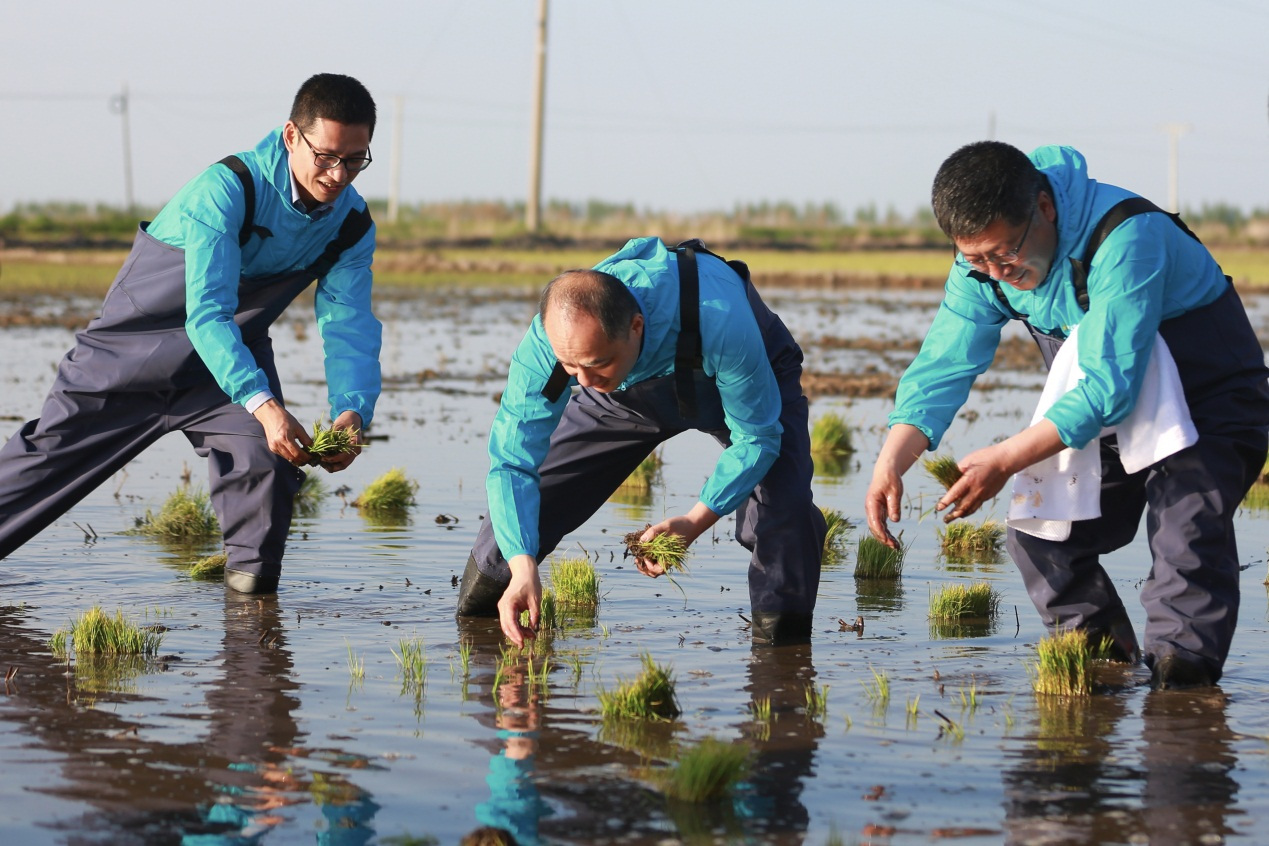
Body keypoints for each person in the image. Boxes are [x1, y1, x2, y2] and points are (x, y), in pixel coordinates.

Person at [865, 140, 1269, 689]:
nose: (996, 272)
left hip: (1208, 403)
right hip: (1103, 410)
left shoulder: (1126, 237)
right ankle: (1104, 675)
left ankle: (1182, 709)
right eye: (976, 259)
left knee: (1185, 542)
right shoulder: (982, 267)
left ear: (1044, 208)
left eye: (1004, 253)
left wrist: (1006, 459)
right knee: (1041, 532)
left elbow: (1108, 387)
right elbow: (945, 362)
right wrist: (892, 458)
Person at [0, 73, 382, 595]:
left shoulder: (352, 226)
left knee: (266, 469)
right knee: (42, 462)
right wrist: (265, 404)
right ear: (292, 136)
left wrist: (353, 409)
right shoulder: (227, 188)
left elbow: (349, 326)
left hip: (226, 369)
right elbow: (206, 311)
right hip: (131, 353)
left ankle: (254, 636)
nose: (339, 175)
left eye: (355, 159)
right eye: (326, 156)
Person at [456, 236, 826, 647]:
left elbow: (756, 438)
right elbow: (512, 460)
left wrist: (694, 520)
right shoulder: (551, 344)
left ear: (636, 326)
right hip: (627, 398)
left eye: (595, 365)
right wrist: (522, 565)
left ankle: (782, 673)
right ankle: (480, 640)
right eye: (569, 368)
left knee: (785, 510)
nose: (582, 383)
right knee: (533, 503)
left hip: (744, 380)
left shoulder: (721, 319)